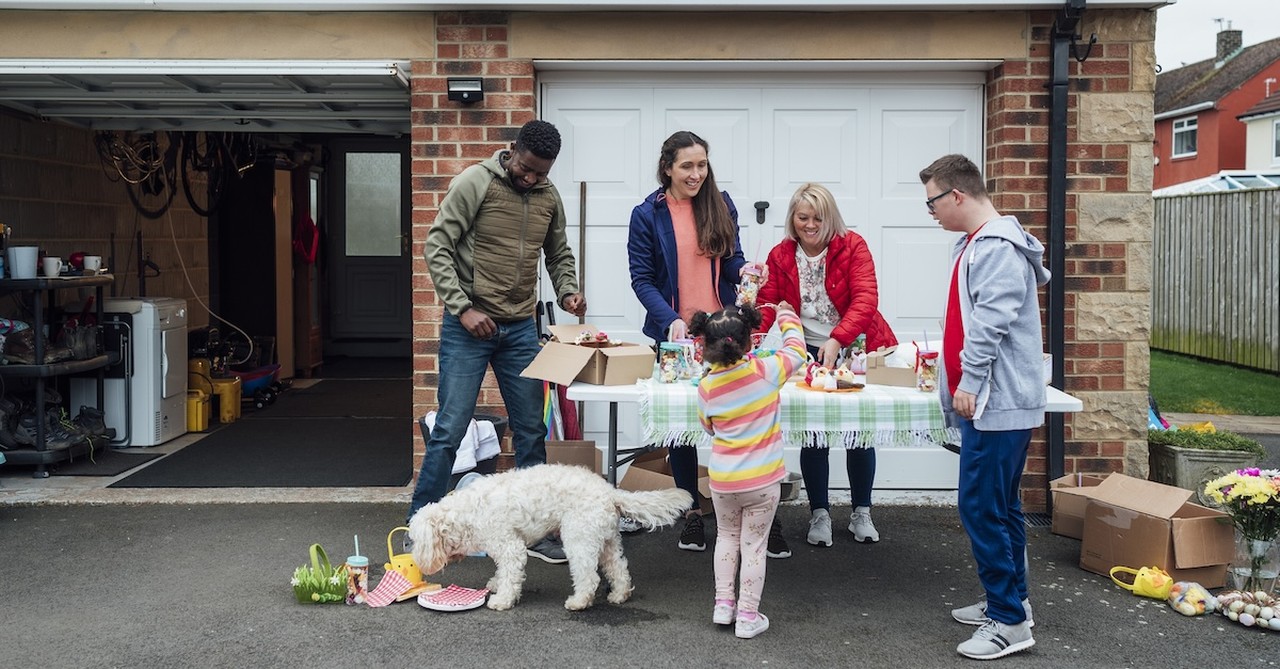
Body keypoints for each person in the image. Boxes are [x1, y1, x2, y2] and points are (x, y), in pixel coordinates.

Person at [408, 119, 587, 564]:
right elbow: (437, 246)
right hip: (469, 327)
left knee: (531, 430)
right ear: (512, 151)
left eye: (540, 173)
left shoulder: (549, 197)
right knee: (450, 430)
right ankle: (418, 526)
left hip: (520, 329)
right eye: (525, 169)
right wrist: (462, 308)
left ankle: (536, 530)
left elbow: (559, 252)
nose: (530, 178)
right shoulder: (476, 182)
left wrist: (567, 290)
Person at [627, 130, 791, 558]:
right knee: (682, 428)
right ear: (668, 168)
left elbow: (731, 260)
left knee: (749, 419)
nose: (697, 174)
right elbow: (642, 280)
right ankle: (692, 514)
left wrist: (745, 273)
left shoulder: (721, 204)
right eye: (687, 166)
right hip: (677, 335)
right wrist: (671, 322)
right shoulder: (647, 214)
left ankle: (761, 514)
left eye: (702, 165)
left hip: (726, 333)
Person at [919, 154, 1048, 661]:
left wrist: (970, 381)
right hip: (997, 403)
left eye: (932, 201)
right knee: (1003, 506)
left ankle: (1009, 622)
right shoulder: (977, 244)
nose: (929, 211)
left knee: (979, 507)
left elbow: (991, 321)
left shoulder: (994, 248)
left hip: (995, 403)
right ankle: (1012, 602)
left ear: (956, 195)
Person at [756, 183, 898, 548]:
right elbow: (766, 306)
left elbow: (866, 299)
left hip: (856, 346)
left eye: (818, 217)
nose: (810, 224)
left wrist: (838, 338)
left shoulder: (853, 246)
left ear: (830, 217)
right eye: (803, 217)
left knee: (859, 432)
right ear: (792, 219)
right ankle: (819, 513)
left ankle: (861, 512)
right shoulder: (781, 254)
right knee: (814, 433)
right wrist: (753, 332)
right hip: (808, 351)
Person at [690, 302, 807, 639]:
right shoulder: (767, 371)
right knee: (754, 545)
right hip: (762, 481)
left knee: (726, 539)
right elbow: (797, 350)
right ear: (751, 341)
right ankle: (748, 615)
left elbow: (708, 427)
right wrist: (785, 315)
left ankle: (723, 605)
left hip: (723, 481)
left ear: (706, 347)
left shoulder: (707, 386)